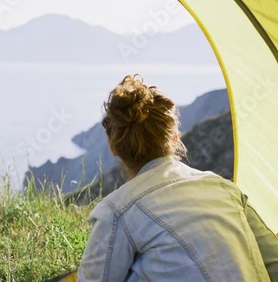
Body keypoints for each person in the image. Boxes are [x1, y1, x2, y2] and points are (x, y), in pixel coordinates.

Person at [77, 75, 278, 282]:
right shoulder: (225, 189)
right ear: (174, 139)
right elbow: (274, 262)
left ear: (112, 147)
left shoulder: (116, 211)